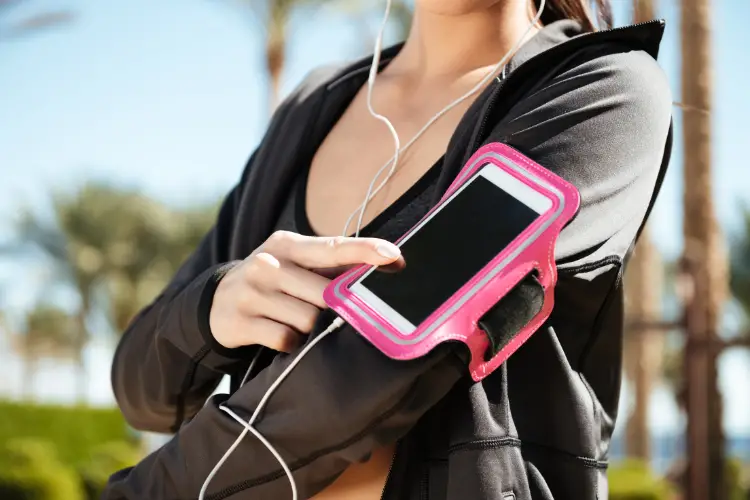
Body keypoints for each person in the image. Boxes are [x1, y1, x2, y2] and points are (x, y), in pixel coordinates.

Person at [103, 0, 673, 498]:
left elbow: (381, 360)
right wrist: (212, 309)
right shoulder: (311, 108)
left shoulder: (603, 92)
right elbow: (142, 389)